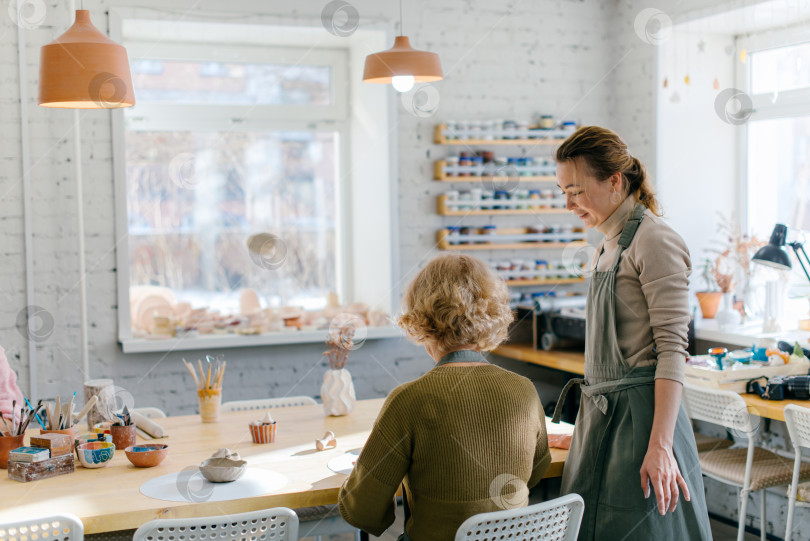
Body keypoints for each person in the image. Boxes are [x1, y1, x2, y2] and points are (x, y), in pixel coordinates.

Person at [552, 126, 711, 540]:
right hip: (603, 417)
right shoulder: (607, 243)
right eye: (562, 191)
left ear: (615, 181)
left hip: (643, 423)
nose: (568, 204)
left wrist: (659, 446)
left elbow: (673, 351)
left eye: (576, 190)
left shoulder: (655, 240)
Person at [339, 253, 551, 540]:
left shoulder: (408, 400)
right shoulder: (524, 390)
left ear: (422, 322)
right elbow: (535, 472)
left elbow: (362, 511)